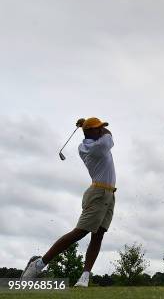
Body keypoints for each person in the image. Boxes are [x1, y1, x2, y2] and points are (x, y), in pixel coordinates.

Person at [20, 117, 116, 287]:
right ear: (90, 132)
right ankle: (38, 265)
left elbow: (100, 133)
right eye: (98, 128)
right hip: (98, 193)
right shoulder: (96, 146)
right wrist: (86, 125)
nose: (102, 130)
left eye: (101, 128)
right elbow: (109, 135)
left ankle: (85, 277)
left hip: (109, 193)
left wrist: (86, 125)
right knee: (80, 232)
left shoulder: (90, 143)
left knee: (99, 235)